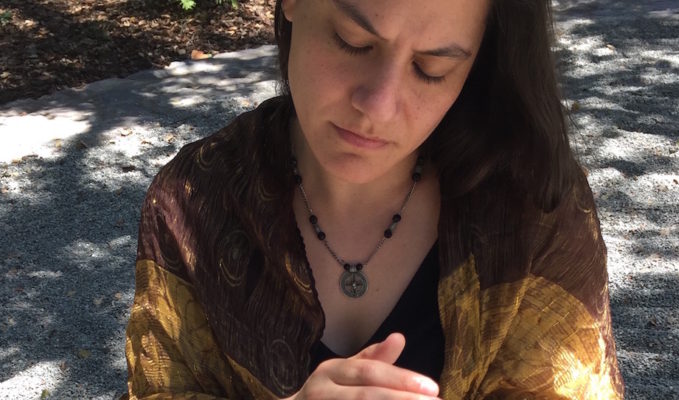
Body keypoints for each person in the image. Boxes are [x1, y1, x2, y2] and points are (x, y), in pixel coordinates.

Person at [123, 0, 625, 398]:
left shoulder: (535, 208)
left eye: (431, 68)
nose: (378, 107)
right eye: (353, 41)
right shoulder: (193, 203)